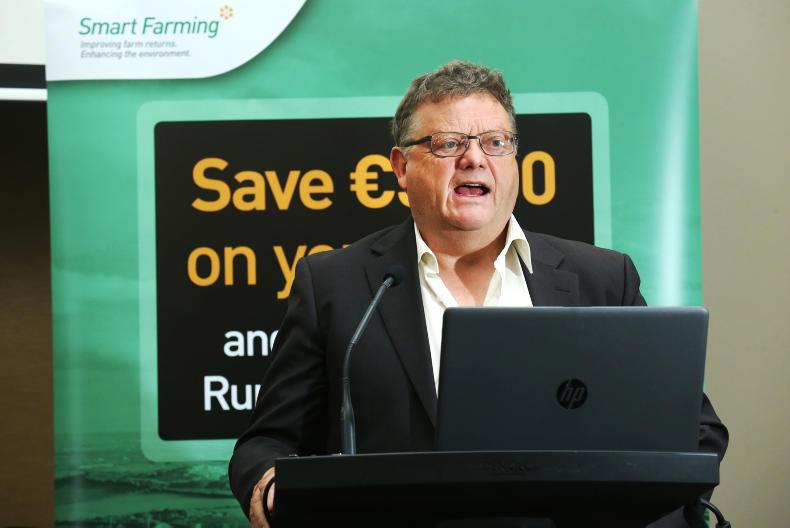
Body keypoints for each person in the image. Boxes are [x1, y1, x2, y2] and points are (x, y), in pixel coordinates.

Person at [229, 60, 728, 528]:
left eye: (495, 142)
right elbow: (265, 442)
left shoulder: (601, 279)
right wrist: (270, 487)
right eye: (447, 143)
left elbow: (694, 433)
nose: (474, 159)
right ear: (401, 167)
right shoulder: (337, 284)